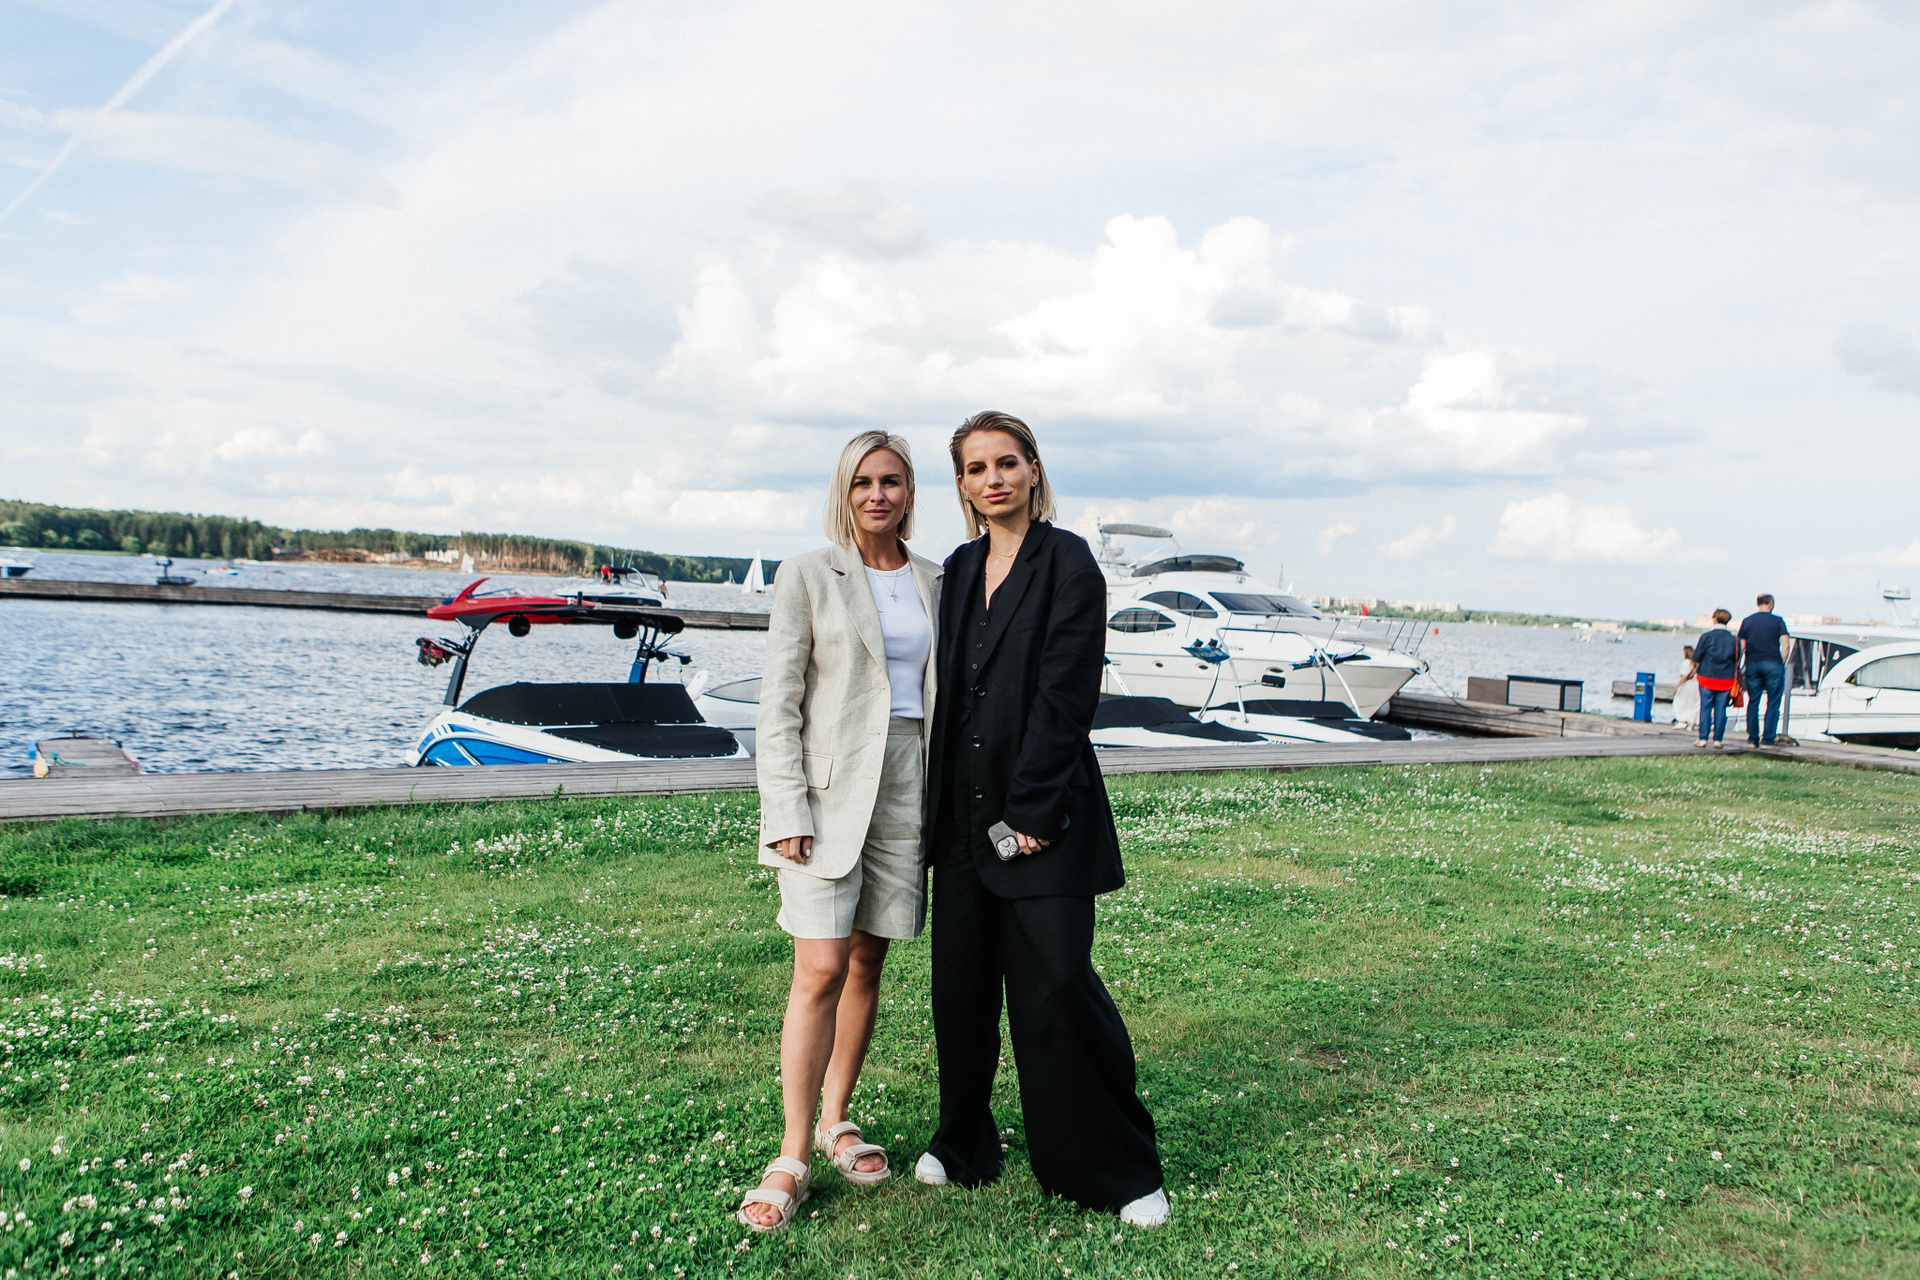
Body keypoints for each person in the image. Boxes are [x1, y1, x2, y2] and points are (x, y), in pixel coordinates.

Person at [916, 410, 1168, 1228]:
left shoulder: (1069, 562)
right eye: (976, 468)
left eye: (1006, 463)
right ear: (962, 485)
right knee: (959, 993)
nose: (993, 479)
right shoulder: (958, 569)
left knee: (1057, 985)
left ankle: (1115, 1171)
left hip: (1043, 815)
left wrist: (1029, 813)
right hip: (963, 821)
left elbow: (1066, 694)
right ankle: (964, 1142)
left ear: (1033, 470)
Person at [738, 431, 942, 1233]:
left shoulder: (936, 579)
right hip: (825, 793)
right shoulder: (806, 574)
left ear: (910, 491)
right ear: (844, 492)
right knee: (820, 965)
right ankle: (792, 1153)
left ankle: (836, 1119)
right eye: (863, 482)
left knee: (867, 959)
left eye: (891, 481)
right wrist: (786, 807)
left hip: (908, 785)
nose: (877, 495)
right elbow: (778, 702)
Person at [1738, 593, 1792, 747]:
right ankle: (1768, 738)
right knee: (1773, 702)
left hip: (1752, 664)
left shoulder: (1747, 621)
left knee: (1753, 702)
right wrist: (1781, 662)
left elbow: (1741, 646)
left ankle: (1752, 739)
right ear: (1771, 603)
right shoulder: (1778, 621)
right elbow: (1786, 644)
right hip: (1773, 663)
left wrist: (1738, 666)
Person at [1685, 609, 1739, 748]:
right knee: (1721, 710)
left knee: (1706, 708)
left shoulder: (1706, 637)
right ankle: (1718, 739)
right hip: (1726, 679)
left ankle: (1703, 738)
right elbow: (1737, 657)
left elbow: (1696, 656)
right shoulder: (1733, 639)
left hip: (1707, 677)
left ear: (1715, 619)